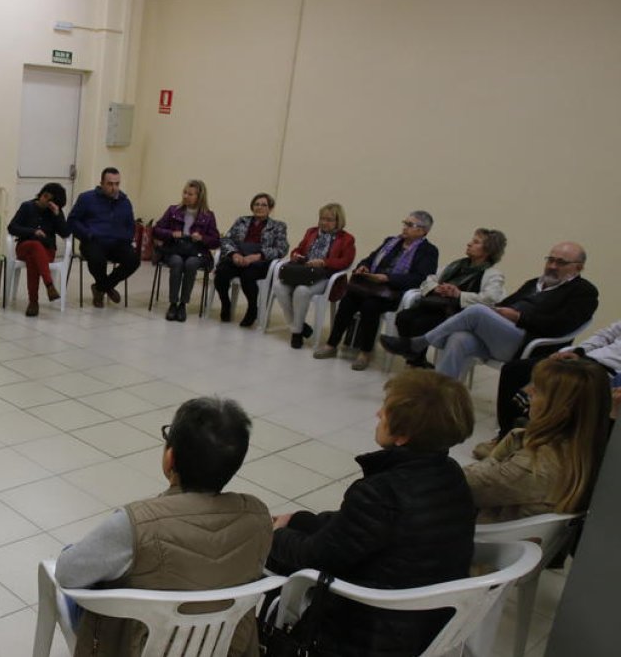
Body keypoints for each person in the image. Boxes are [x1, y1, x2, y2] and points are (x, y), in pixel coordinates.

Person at [268, 370, 476, 657]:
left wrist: (275, 533)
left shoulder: (381, 492)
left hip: (369, 627)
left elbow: (315, 557)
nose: (378, 413)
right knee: (295, 528)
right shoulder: (451, 476)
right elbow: (362, 532)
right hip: (429, 619)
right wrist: (300, 520)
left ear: (403, 436)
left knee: (266, 554)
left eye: (385, 411)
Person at [56, 397, 271, 657]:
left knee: (72, 557)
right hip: (221, 647)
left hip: (137, 647)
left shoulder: (135, 524)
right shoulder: (258, 518)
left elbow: (67, 574)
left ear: (170, 458)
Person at [380, 241, 599, 380]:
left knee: (477, 311)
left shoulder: (584, 292)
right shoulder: (535, 282)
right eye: (550, 259)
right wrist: (499, 312)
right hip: (501, 335)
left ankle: (418, 343)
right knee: (459, 337)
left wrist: (520, 317)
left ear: (578, 267)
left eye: (561, 262)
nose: (552, 266)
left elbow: (563, 325)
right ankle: (438, 398)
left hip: (527, 343)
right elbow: (508, 302)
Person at [464, 358, 610, 523]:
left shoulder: (531, 467)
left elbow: (456, 486)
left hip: (487, 537)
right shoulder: (594, 453)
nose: (529, 391)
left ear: (560, 411)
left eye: (539, 390)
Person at [315, 211, 438, 371]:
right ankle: (332, 344)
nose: (405, 228)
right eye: (405, 223)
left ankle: (365, 352)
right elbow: (370, 258)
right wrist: (364, 266)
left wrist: (388, 278)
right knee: (348, 299)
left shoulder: (428, 251)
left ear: (422, 231)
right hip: (372, 286)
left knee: (370, 306)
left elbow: (420, 278)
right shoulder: (391, 242)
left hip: (394, 292)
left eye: (410, 225)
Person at [488, 319, 621, 453]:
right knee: (513, 370)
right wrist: (578, 351)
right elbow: (605, 336)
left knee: (552, 389)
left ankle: (532, 444)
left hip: (609, 373)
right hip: (587, 360)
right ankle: (505, 436)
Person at [391, 228, 508, 366]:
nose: (469, 244)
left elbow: (490, 299)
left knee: (420, 323)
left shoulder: (492, 274)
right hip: (435, 305)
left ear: (488, 250)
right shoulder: (456, 265)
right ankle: (415, 358)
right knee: (403, 317)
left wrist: (458, 294)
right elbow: (430, 278)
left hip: (456, 315)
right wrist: (437, 288)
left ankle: (414, 357)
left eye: (476, 242)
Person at [272, 202, 356, 348]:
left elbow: (345, 261)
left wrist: (324, 262)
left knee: (301, 291)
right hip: (303, 272)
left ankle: (296, 333)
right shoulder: (311, 232)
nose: (324, 223)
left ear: (338, 221)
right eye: (322, 219)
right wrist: (295, 255)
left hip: (325, 277)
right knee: (279, 286)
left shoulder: (346, 239)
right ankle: (299, 326)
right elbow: (298, 249)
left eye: (329, 220)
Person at [213, 193, 289, 327]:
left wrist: (257, 256)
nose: (259, 207)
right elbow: (226, 239)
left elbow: (282, 249)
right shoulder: (241, 221)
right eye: (256, 204)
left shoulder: (278, 226)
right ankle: (226, 303)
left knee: (248, 276)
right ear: (252, 206)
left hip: (259, 261)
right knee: (221, 272)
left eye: (264, 205)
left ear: (270, 208)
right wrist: (234, 254)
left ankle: (252, 309)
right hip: (238, 257)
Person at [150, 180, 221, 322]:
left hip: (196, 251)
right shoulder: (173, 210)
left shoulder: (208, 215)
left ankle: (183, 304)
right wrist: (171, 233)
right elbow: (156, 230)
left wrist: (201, 238)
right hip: (174, 248)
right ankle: (173, 303)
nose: (186, 196)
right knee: (176, 262)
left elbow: (215, 241)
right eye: (185, 192)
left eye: (190, 194)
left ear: (199, 196)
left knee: (191, 264)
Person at [68, 167, 139, 309]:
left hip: (117, 242)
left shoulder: (125, 202)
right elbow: (72, 221)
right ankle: (106, 288)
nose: (114, 188)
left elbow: (131, 225)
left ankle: (101, 287)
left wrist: (127, 238)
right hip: (93, 241)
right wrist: (87, 234)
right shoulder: (87, 198)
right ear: (101, 183)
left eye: (117, 184)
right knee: (97, 259)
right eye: (110, 184)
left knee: (133, 260)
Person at [7, 182, 71, 317]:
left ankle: (33, 303)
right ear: (43, 195)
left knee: (33, 258)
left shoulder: (55, 212)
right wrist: (33, 232)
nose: (46, 201)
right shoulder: (27, 207)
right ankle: (49, 285)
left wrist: (57, 214)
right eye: (45, 197)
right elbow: (12, 227)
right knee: (34, 246)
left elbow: (65, 233)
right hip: (24, 247)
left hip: (47, 251)